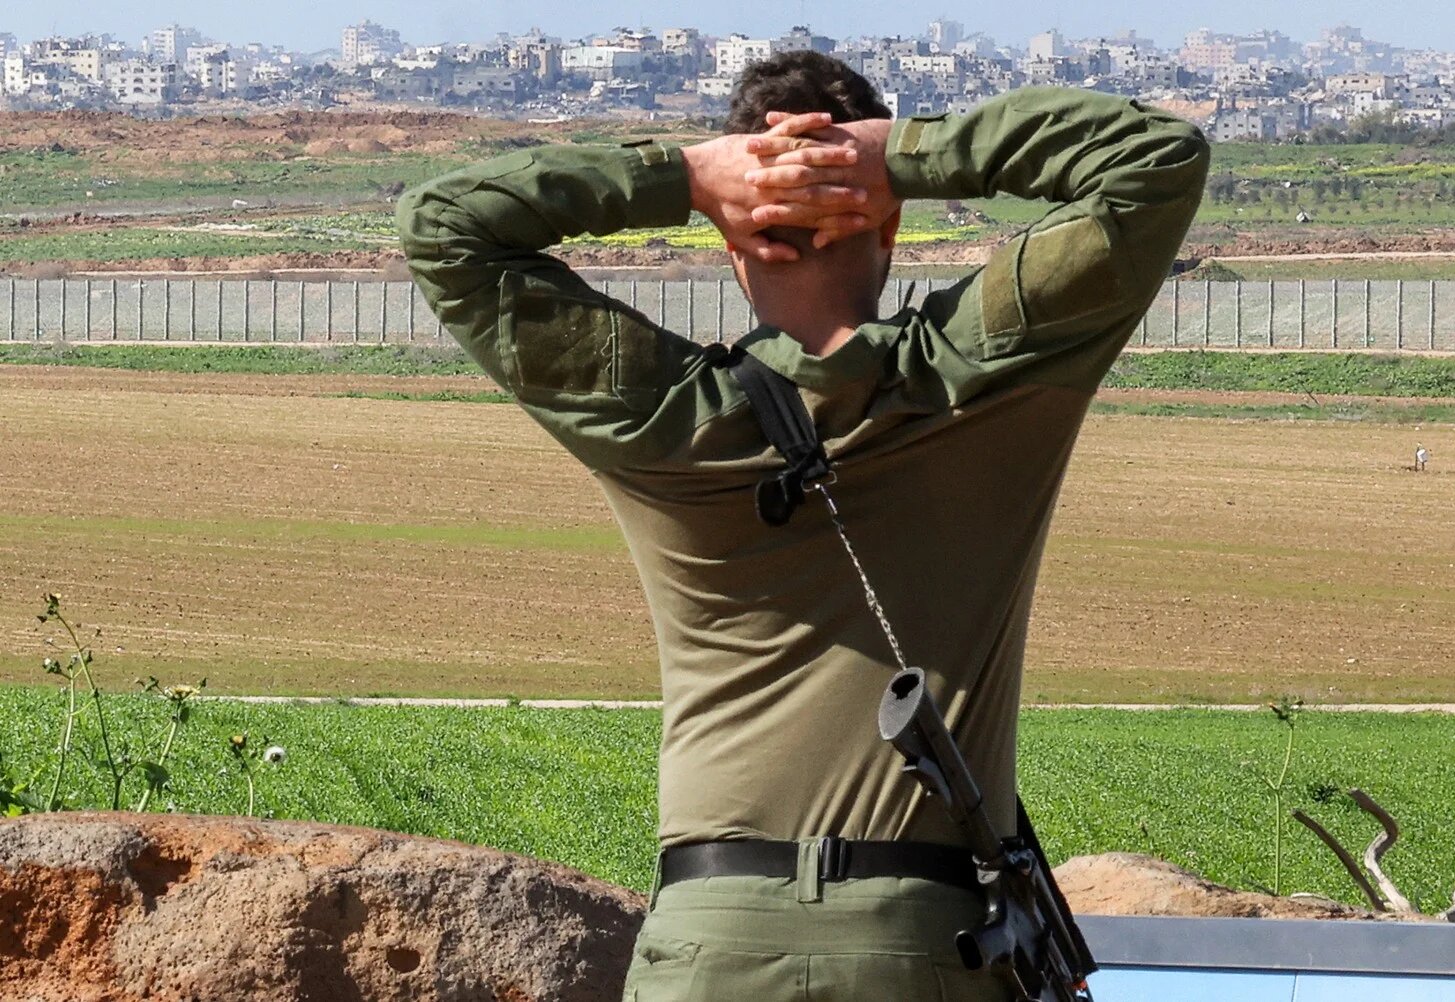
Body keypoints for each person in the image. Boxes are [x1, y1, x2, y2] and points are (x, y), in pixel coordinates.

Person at [398, 51, 1208, 1002]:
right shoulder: (976, 378)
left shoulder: (660, 414)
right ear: (889, 222)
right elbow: (1154, 157)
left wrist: (689, 175)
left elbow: (446, 225)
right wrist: (894, 156)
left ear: (735, 239)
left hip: (709, 941)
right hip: (929, 944)